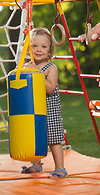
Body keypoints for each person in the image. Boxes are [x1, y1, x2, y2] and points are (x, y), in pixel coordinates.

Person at [21, 27, 68, 178]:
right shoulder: (27, 66)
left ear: (49, 50)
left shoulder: (50, 68)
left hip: (50, 111)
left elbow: (49, 88)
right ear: (28, 48)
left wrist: (36, 73)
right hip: (33, 109)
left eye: (43, 46)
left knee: (54, 139)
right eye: (34, 46)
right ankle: (36, 164)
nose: (38, 50)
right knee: (33, 136)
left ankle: (60, 167)